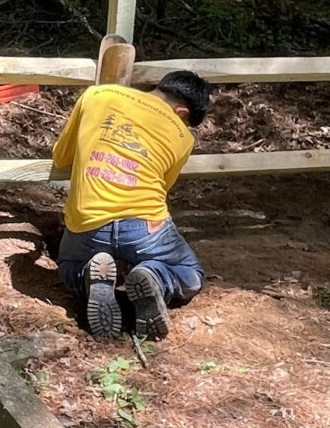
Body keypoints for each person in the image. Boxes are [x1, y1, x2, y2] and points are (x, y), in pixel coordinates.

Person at [48, 69, 211, 340]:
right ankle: (153, 275)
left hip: (88, 223)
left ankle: (90, 273)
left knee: (67, 266)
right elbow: (162, 187)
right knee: (190, 273)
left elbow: (61, 158)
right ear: (181, 112)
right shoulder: (184, 139)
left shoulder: (97, 95)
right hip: (146, 228)